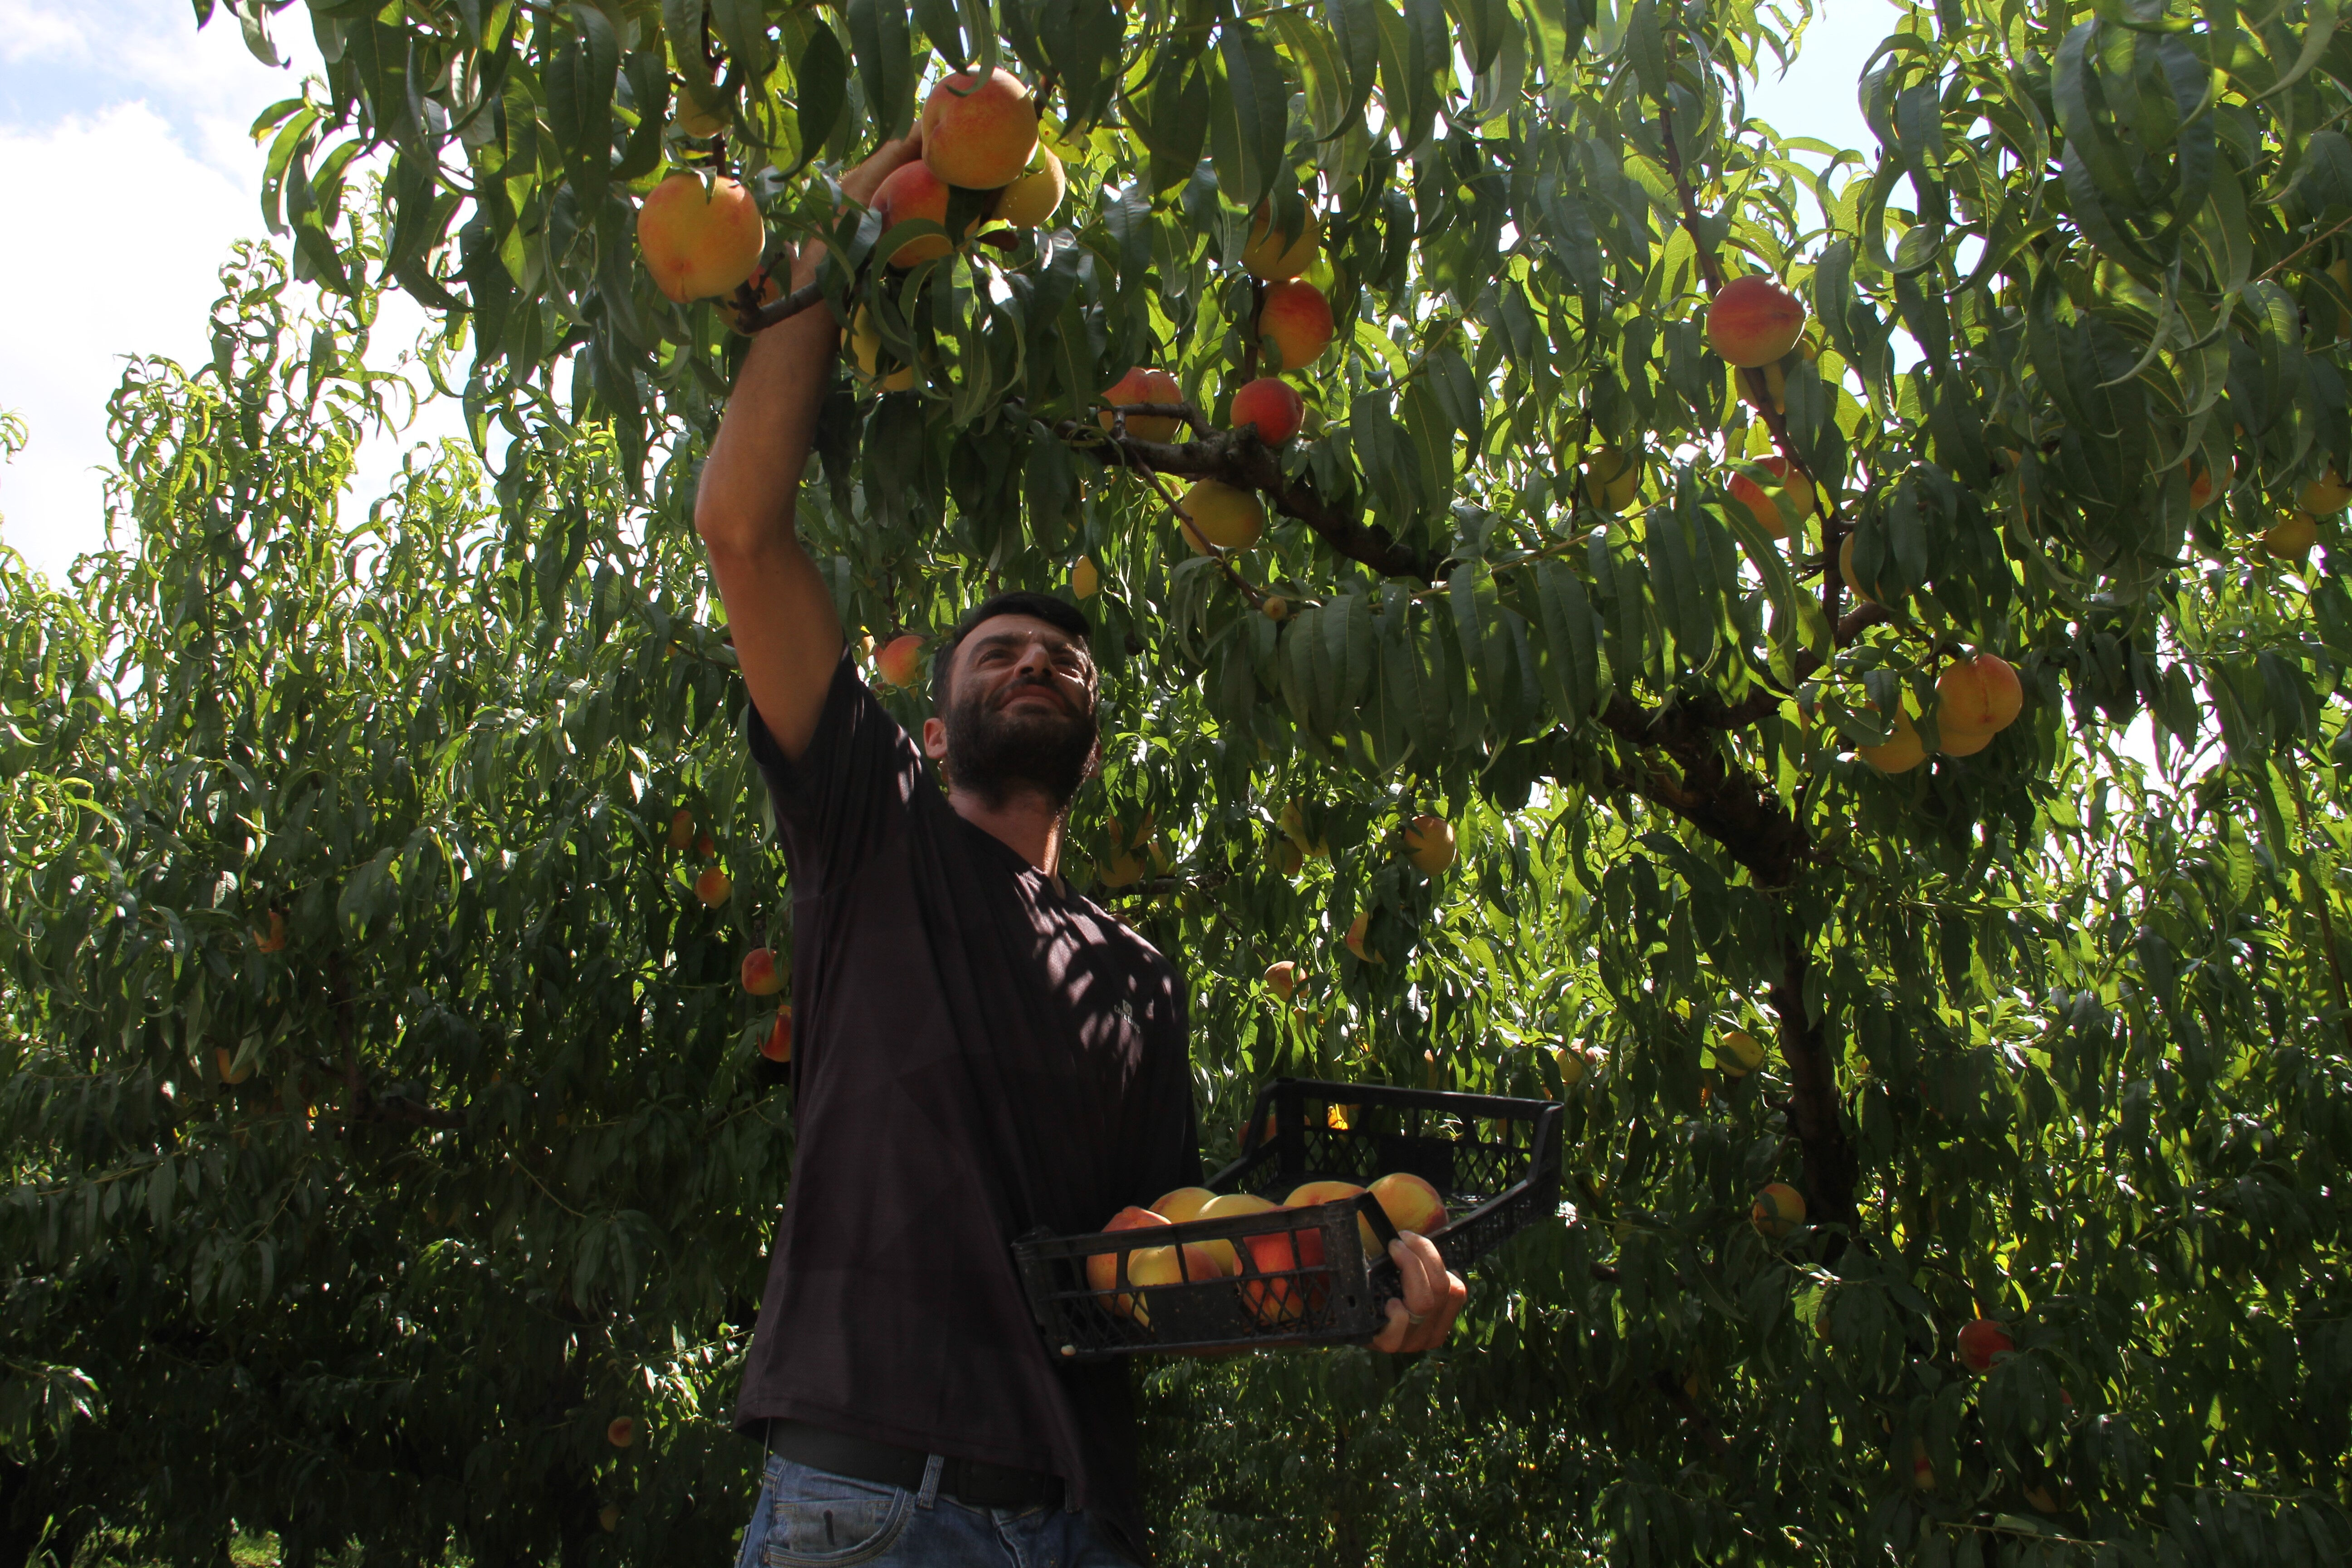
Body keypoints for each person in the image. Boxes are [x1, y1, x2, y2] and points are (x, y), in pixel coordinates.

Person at [695, 134, 1468, 1568]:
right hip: (867, 1507)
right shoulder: (875, 839)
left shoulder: (1137, 978)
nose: (1041, 659)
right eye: (1000, 651)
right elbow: (743, 533)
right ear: (928, 733)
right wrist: (819, 272)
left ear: (1098, 738)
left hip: (1080, 1524)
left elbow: (1154, 1276)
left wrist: (1372, 1292)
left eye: (1067, 657)